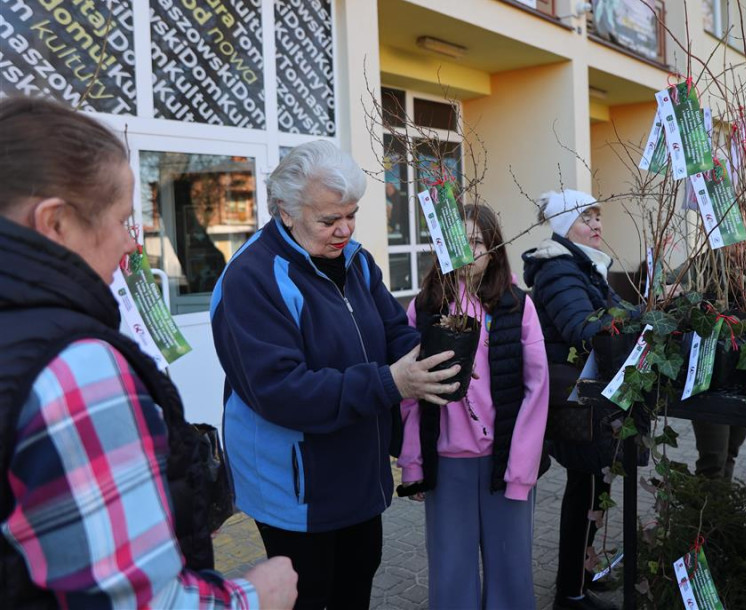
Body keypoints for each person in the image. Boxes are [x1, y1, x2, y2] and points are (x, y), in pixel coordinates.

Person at [0, 96, 297, 609]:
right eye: (121, 220)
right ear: (56, 224)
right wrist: (255, 595)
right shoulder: (74, 369)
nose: (133, 245)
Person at [210, 140, 460, 610]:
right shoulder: (251, 278)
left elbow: (392, 331)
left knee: (358, 576)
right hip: (296, 488)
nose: (344, 229)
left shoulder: (357, 261)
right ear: (285, 211)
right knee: (313, 596)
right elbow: (281, 391)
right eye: (329, 220)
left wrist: (429, 358)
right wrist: (391, 383)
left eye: (352, 214)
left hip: (359, 471)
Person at [398, 203, 550, 609]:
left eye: (477, 243)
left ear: (494, 248)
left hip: (505, 462)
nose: (467, 253)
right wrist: (413, 464)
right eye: (457, 244)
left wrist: (521, 468)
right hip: (448, 464)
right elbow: (411, 395)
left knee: (511, 569)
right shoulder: (426, 307)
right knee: (450, 570)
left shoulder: (516, 306)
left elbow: (537, 389)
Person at [522, 189, 634, 610]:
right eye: (587, 218)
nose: (597, 225)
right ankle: (570, 593)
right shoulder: (559, 269)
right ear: (565, 226)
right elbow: (582, 328)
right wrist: (632, 321)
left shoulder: (586, 267)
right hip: (577, 393)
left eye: (598, 217)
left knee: (596, 481)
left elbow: (617, 313)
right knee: (585, 486)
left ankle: (582, 576)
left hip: (591, 389)